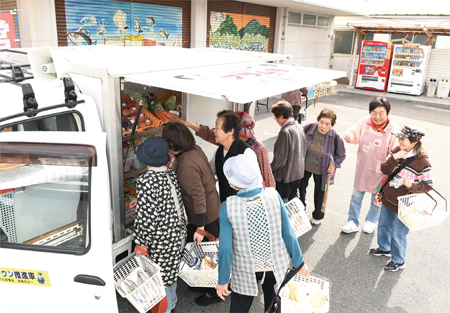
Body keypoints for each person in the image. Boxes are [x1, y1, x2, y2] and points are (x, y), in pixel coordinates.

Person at [216, 154, 309, 312]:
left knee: (239, 307)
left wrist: (223, 279)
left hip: (245, 269)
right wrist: (299, 262)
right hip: (275, 265)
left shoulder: (227, 207)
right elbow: (288, 233)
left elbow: (225, 248)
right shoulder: (273, 195)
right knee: (273, 306)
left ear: (233, 183)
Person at [130, 136, 186, 313]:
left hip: (161, 240)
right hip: (177, 234)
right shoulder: (169, 173)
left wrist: (141, 244)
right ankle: (173, 304)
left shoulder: (146, 180)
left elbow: (148, 219)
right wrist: (141, 201)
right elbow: (167, 202)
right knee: (171, 276)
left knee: (159, 281)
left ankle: (166, 309)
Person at [369, 125, 431, 271]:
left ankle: (399, 260)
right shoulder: (397, 151)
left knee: (399, 233)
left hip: (406, 204)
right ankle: (384, 248)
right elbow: (384, 169)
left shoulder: (423, 162)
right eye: (399, 138)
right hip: (388, 197)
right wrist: (393, 158)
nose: (399, 141)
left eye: (403, 139)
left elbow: (428, 185)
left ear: (414, 141)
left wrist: (412, 186)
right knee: (383, 225)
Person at [341, 97, 399, 234]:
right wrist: (349, 135)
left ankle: (371, 221)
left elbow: (396, 151)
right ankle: (352, 221)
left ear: (387, 113)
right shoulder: (364, 122)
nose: (377, 116)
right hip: (363, 168)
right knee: (356, 196)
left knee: (377, 199)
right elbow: (352, 133)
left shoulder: (393, 129)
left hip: (381, 173)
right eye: (374, 112)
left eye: (381, 113)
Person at [175, 111, 275, 188]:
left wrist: (271, 197)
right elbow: (209, 134)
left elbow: (267, 175)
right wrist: (189, 125)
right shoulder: (223, 147)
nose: (215, 132)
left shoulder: (257, 149)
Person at [162, 122, 221, 243]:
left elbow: (198, 196)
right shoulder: (194, 149)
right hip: (214, 208)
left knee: (205, 256)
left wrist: (200, 228)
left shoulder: (186, 167)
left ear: (172, 143)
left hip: (205, 219)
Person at [299, 108, 346, 225]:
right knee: (300, 187)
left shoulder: (336, 137)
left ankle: (317, 215)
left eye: (327, 124)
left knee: (320, 192)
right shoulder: (309, 128)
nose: (323, 126)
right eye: (321, 122)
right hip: (305, 165)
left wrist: (334, 164)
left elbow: (341, 155)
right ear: (318, 120)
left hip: (322, 169)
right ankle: (301, 208)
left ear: (332, 125)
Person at [271, 100, 307, 202]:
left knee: (283, 205)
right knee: (292, 204)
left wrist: (269, 168)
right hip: (297, 174)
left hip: (285, 176)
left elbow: (280, 159)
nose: (276, 120)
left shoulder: (285, 132)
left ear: (281, 116)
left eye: (276, 117)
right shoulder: (299, 127)